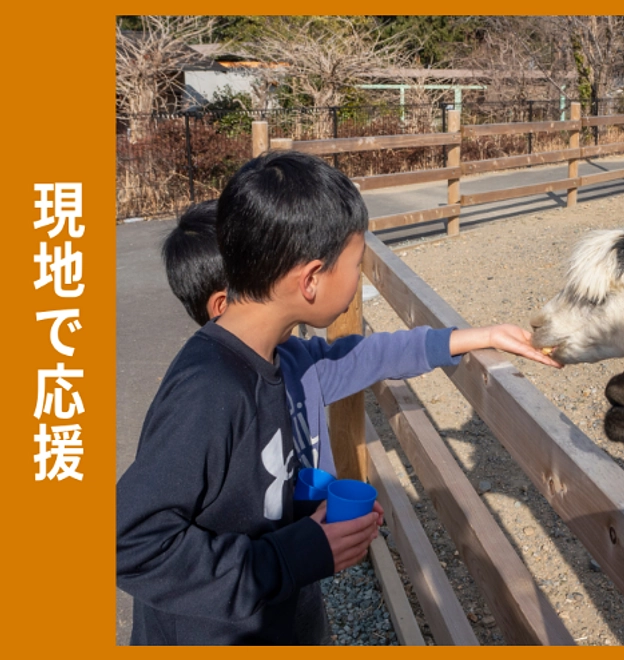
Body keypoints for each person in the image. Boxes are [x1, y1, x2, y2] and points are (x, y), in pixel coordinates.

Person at [118, 151, 560, 645]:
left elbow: (365, 356)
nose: (358, 279)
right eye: (356, 264)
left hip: (284, 621)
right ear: (309, 280)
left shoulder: (288, 359)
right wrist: (294, 556)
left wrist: (468, 337)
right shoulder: (209, 390)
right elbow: (133, 543)